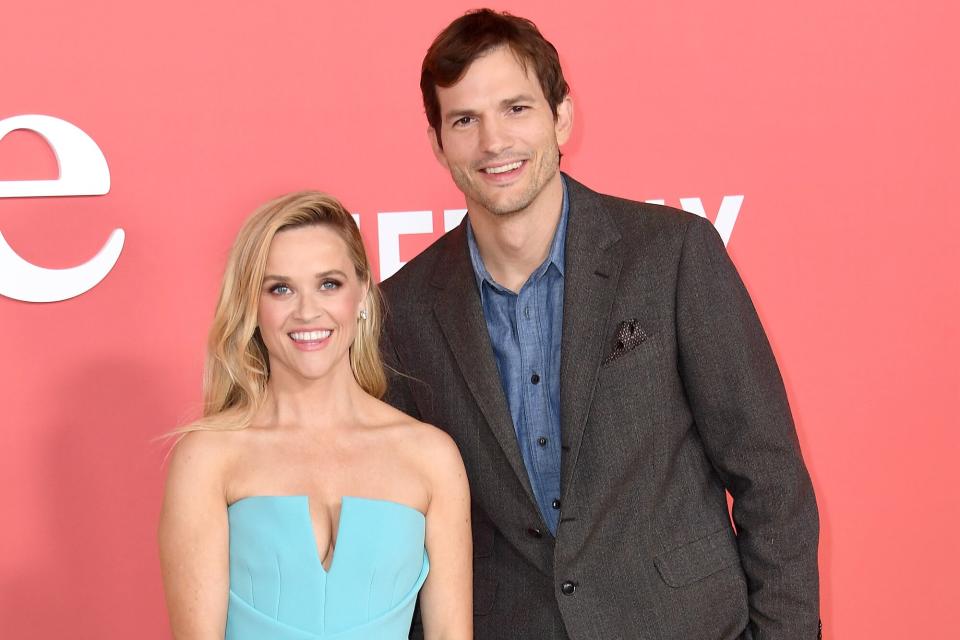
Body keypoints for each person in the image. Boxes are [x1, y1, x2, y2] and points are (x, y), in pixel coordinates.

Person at [380, 9, 819, 640]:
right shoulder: (403, 309)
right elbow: (401, 530)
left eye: (516, 109)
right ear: (437, 142)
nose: (493, 142)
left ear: (560, 116)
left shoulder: (671, 254)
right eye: (465, 120)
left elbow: (770, 477)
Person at [158, 191, 472, 639]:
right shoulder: (208, 458)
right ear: (252, 305)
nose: (307, 311)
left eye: (329, 284)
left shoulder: (431, 457)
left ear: (362, 293)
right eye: (280, 288)